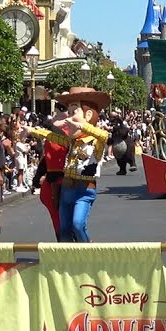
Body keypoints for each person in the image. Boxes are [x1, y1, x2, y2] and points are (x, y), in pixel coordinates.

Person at [48, 87, 111, 242]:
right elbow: (52, 137)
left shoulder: (96, 142)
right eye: (68, 113)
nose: (69, 119)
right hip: (66, 189)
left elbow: (104, 136)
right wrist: (31, 130)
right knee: (64, 230)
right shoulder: (72, 141)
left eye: (73, 112)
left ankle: (87, 250)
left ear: (88, 115)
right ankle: (69, 257)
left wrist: (82, 126)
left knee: (78, 225)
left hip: (84, 190)